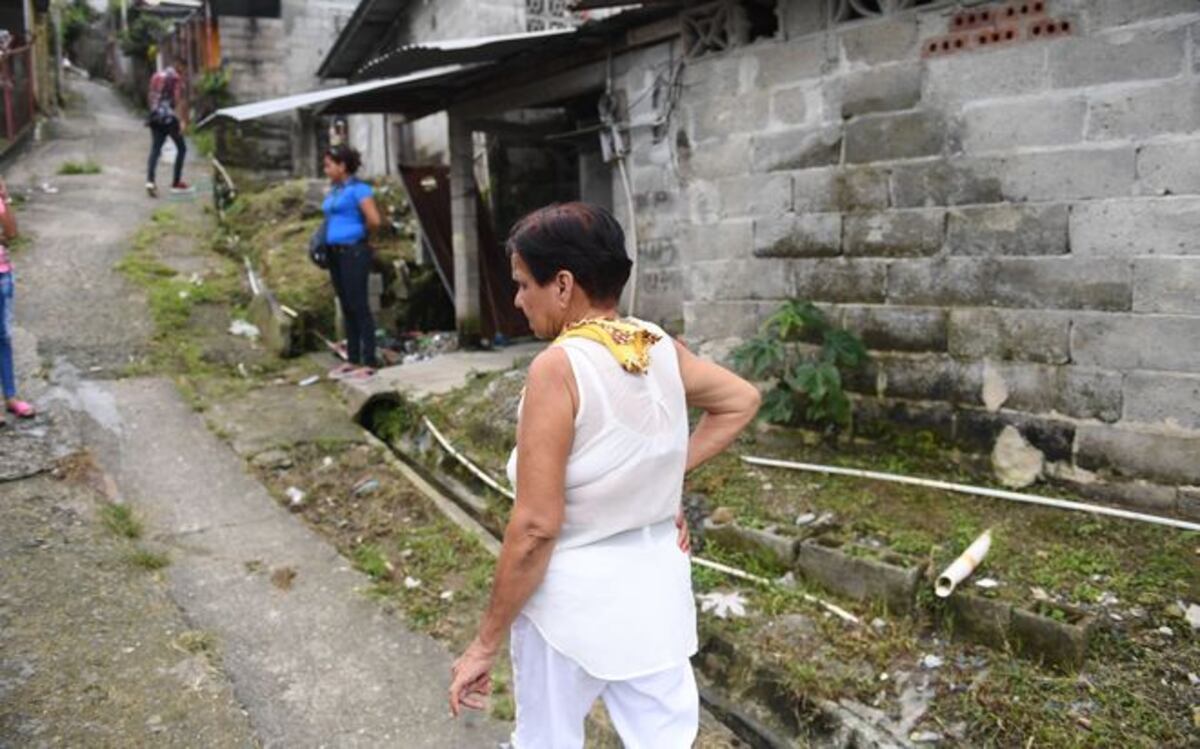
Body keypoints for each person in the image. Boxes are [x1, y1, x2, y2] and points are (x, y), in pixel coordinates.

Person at [448, 202, 761, 747]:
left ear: (563, 285)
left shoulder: (559, 367)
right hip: (655, 599)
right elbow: (741, 400)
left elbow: (536, 528)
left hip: (570, 610)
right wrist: (663, 474)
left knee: (548, 740)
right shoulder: (656, 344)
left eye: (524, 285)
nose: (518, 300)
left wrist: (483, 643)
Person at [322, 144, 381, 379]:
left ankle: (369, 360)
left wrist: (358, 235)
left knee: (360, 306)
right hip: (334, 253)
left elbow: (374, 219)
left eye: (329, 165)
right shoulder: (336, 190)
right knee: (346, 306)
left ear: (342, 166)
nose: (325, 169)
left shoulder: (360, 190)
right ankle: (353, 359)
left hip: (354, 252)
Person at [0, 178, 36, 427]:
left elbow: (11, 233)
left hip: (2, 274)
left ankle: (11, 397)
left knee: (3, 337)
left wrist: (4, 198)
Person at [145, 56, 189, 197]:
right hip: (169, 119)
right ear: (180, 66)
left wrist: (153, 112)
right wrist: (182, 121)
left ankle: (150, 181)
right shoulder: (176, 79)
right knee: (182, 148)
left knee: (155, 150)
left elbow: (150, 96)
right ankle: (176, 182)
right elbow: (179, 100)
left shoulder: (156, 76)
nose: (184, 72)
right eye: (184, 69)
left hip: (155, 117)